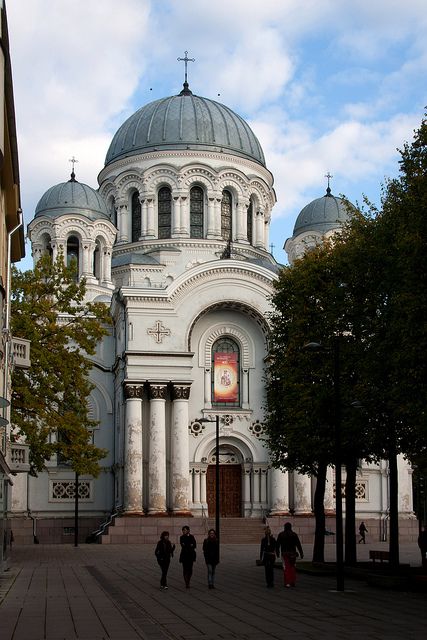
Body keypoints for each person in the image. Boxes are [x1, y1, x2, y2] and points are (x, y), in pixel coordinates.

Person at [276, 522, 304, 588]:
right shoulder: (294, 534)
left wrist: (277, 553)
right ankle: (292, 581)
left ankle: (287, 582)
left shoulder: (281, 534)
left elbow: (277, 545)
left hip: (285, 553)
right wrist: (301, 553)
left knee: (286, 568)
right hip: (292, 554)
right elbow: (298, 545)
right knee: (292, 568)